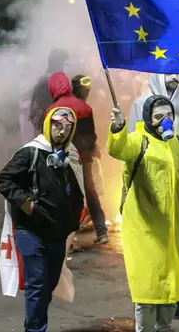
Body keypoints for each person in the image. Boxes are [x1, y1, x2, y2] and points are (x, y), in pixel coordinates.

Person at [108, 96, 179, 332]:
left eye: (169, 115)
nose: (165, 120)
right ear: (147, 119)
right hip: (145, 227)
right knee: (148, 287)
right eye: (158, 116)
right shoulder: (137, 140)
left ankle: (164, 327)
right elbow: (118, 148)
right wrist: (118, 128)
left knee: (171, 284)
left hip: (175, 226)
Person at [0, 107, 84, 332]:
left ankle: (35, 325)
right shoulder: (32, 152)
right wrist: (27, 203)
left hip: (57, 232)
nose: (61, 132)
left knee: (49, 284)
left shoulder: (71, 156)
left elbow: (77, 192)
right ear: (47, 124)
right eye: (57, 125)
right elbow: (4, 180)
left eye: (67, 128)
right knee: (37, 284)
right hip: (31, 230)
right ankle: (35, 329)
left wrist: (74, 221)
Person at [128, 72, 179, 321]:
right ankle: (151, 305)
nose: (175, 77)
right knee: (153, 255)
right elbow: (129, 145)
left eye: (178, 72)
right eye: (169, 72)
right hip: (151, 195)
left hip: (177, 190)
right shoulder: (141, 103)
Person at [45, 72, 107, 245]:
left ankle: (68, 241)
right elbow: (90, 134)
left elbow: (50, 137)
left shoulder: (52, 110)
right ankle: (102, 232)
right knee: (90, 191)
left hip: (65, 157)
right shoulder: (83, 107)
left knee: (67, 196)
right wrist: (90, 149)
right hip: (84, 156)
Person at [29, 49, 69, 136]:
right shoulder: (46, 81)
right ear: (58, 64)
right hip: (47, 130)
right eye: (65, 64)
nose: (67, 67)